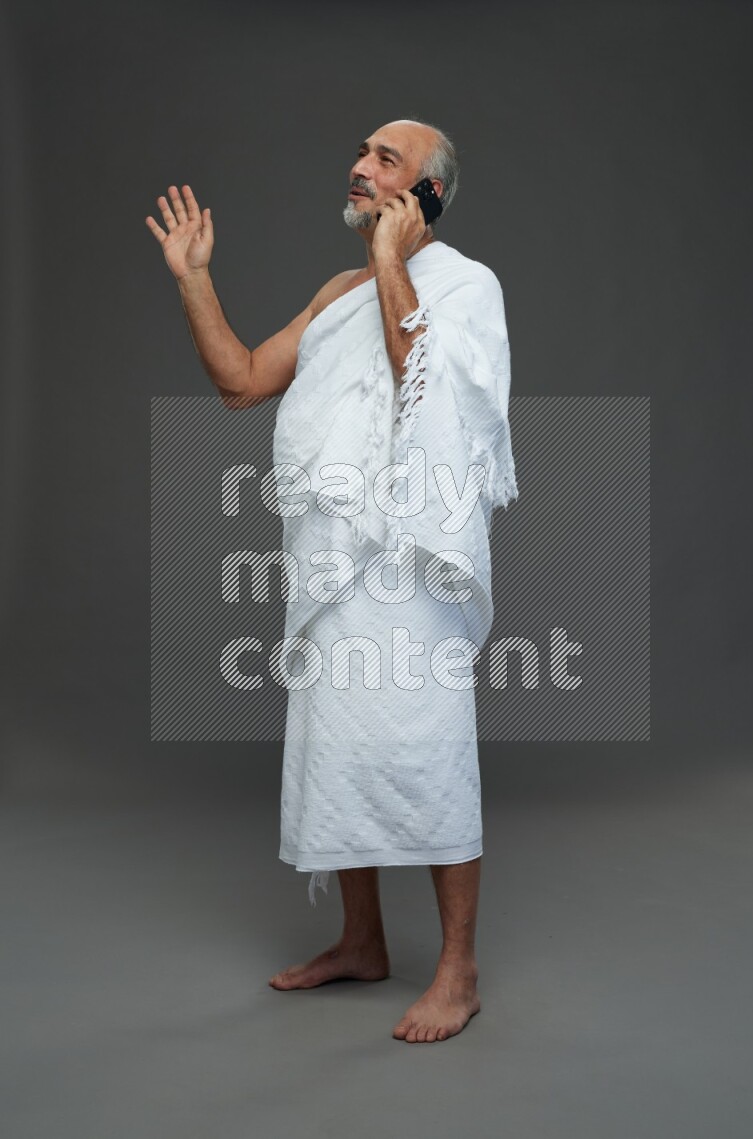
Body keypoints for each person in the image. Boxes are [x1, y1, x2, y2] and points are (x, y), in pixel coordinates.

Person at [145, 118, 517, 1044]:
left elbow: (416, 377)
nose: (360, 166)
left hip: (413, 565)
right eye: (362, 153)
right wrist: (195, 279)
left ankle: (459, 970)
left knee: (429, 755)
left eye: (387, 160)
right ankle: (360, 941)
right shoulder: (340, 292)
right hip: (331, 561)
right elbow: (239, 381)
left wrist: (397, 256)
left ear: (425, 192)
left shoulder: (466, 286)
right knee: (339, 749)